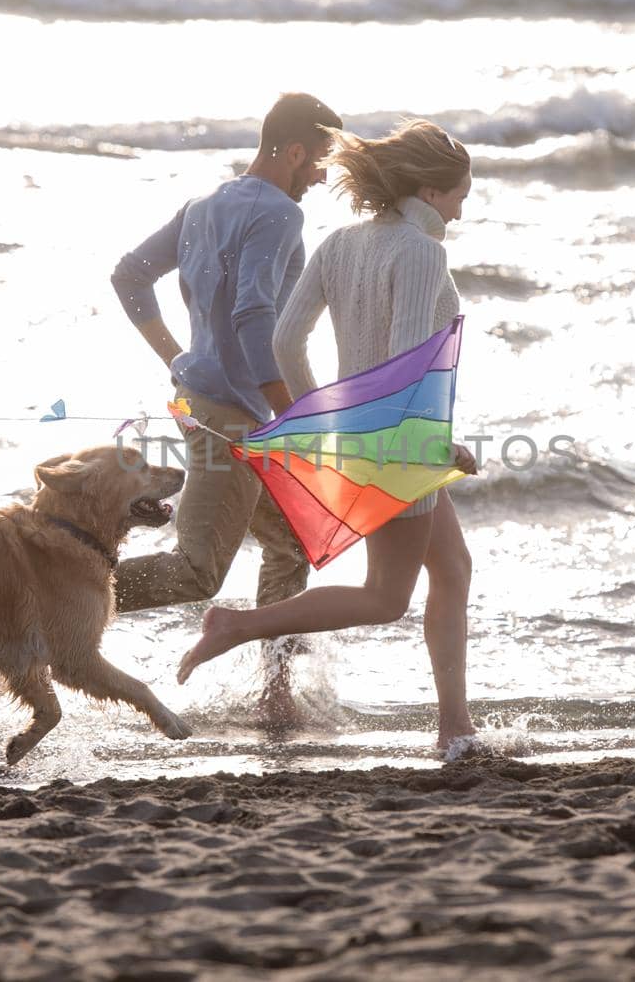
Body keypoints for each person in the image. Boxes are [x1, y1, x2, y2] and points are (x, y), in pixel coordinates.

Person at [175, 119, 481, 753]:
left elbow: (285, 342)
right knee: (384, 598)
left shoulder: (339, 242)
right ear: (428, 190)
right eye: (459, 195)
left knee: (452, 569)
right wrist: (430, 447)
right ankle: (237, 624)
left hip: (368, 438)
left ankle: (456, 726)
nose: (461, 208)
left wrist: (325, 422)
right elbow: (404, 359)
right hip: (403, 445)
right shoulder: (423, 252)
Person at [110, 92, 342, 728]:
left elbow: (129, 276)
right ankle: (61, 592)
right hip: (236, 418)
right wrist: (287, 414)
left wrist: (178, 361)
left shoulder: (203, 206)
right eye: (320, 160)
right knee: (197, 573)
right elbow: (251, 313)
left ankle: (275, 694)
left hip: (207, 402)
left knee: (291, 542)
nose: (322, 175)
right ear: (294, 150)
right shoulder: (279, 216)